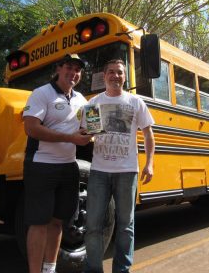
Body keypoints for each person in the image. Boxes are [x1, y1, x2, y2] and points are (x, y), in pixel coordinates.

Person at [83, 59, 155, 273]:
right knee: (93, 225)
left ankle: (122, 269)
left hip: (127, 171)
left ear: (125, 77)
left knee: (126, 225)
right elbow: (89, 134)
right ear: (104, 76)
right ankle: (93, 269)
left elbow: (148, 134)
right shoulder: (94, 102)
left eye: (120, 73)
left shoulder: (135, 102)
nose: (115, 76)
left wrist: (150, 163)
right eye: (111, 72)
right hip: (99, 172)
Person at [22, 54, 93, 273]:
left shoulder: (81, 99)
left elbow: (90, 128)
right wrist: (71, 138)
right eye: (69, 68)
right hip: (41, 165)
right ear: (58, 69)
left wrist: (93, 135)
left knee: (58, 222)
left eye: (78, 70)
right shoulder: (41, 93)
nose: (73, 73)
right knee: (39, 223)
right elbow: (31, 128)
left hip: (68, 167)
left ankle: (49, 269)